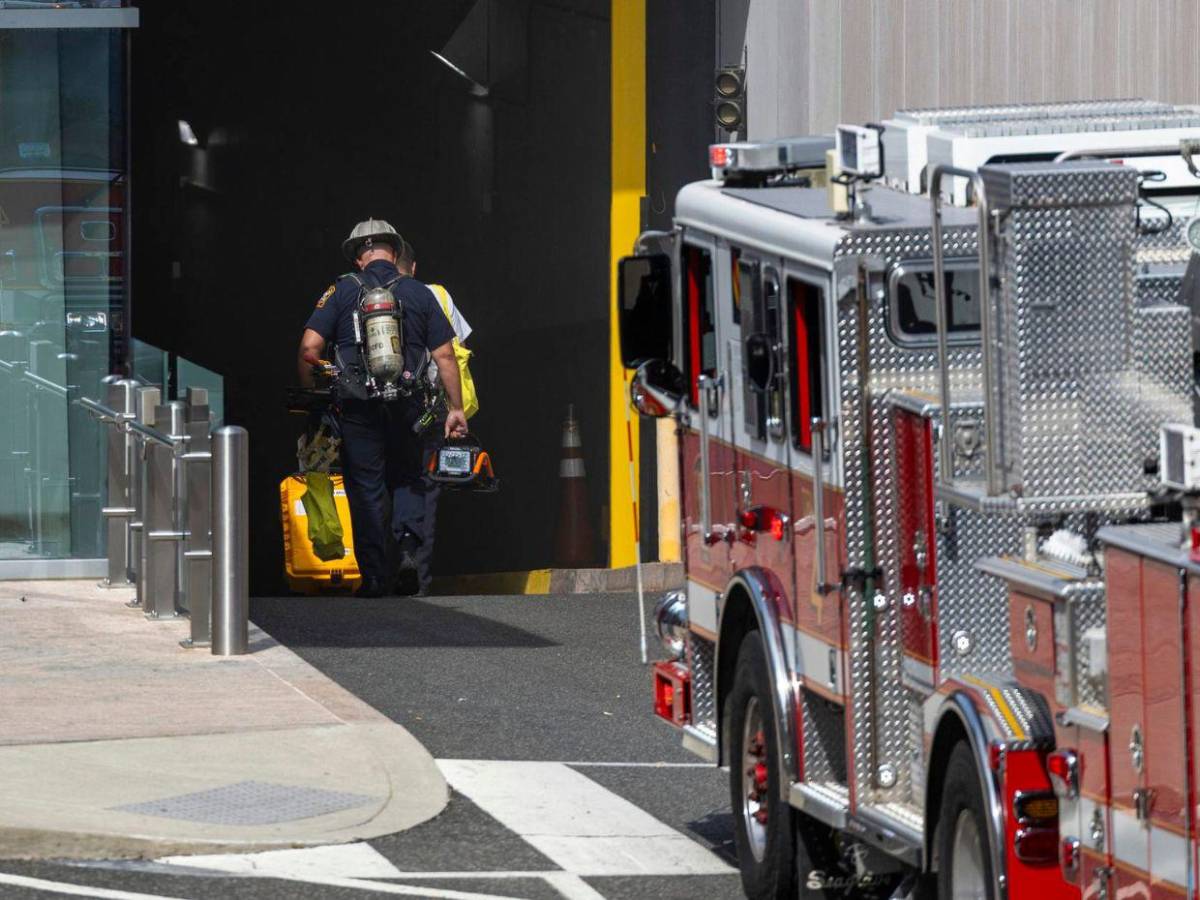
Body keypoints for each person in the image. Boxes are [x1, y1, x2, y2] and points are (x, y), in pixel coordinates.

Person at [297, 219, 467, 598]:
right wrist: (455, 408)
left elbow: (309, 349)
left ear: (359, 257)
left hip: (357, 407)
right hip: (409, 406)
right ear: (394, 252)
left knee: (366, 487)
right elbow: (444, 355)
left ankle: (375, 575)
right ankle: (407, 550)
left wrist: (318, 393)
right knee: (408, 478)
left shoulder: (340, 291)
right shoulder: (421, 294)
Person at [395, 239, 474, 595]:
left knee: (375, 487)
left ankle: (375, 574)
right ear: (413, 267)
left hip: (376, 409)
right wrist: (456, 408)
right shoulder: (437, 296)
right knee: (425, 492)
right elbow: (452, 354)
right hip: (429, 410)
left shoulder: (363, 295)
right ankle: (418, 581)